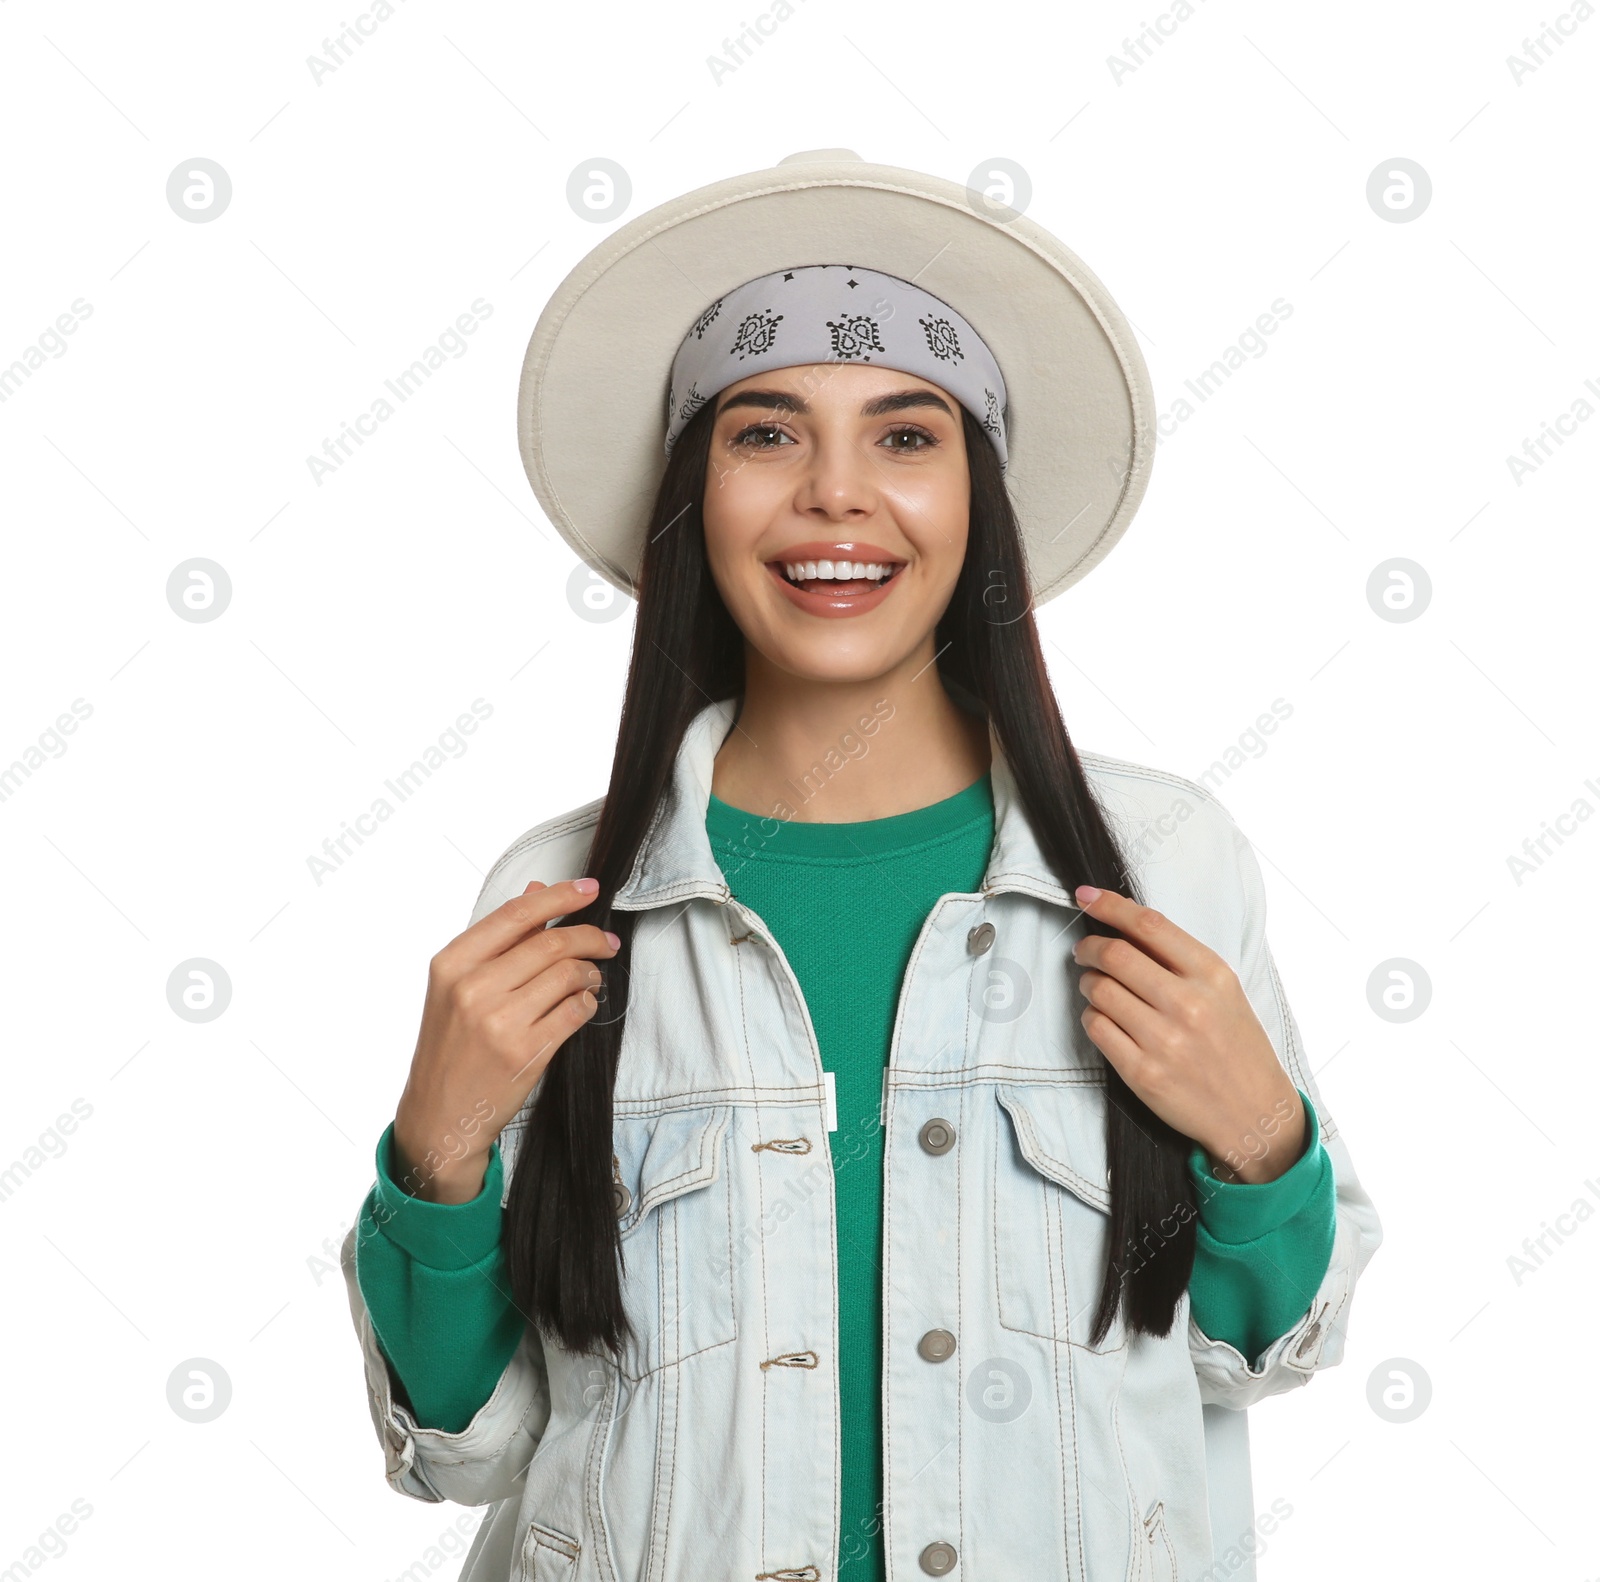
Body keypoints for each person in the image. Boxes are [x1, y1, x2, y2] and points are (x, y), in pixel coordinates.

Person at [340, 150, 1382, 1582]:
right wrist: (437, 1158)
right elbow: (470, 1448)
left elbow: (1263, 1353)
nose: (838, 498)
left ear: (980, 495)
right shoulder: (561, 895)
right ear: (692, 496)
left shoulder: (1164, 867)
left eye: (906, 437)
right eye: (765, 436)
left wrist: (1264, 1138)